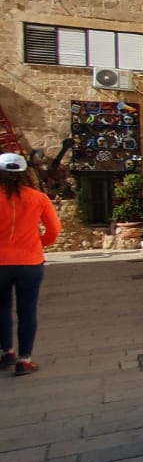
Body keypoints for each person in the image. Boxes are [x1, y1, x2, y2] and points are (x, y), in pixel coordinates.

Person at [0, 152, 61, 376]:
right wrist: (40, 243)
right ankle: (25, 359)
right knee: (27, 310)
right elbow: (54, 229)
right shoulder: (38, 198)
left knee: (2, 308)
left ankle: (7, 350)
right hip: (29, 261)